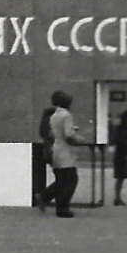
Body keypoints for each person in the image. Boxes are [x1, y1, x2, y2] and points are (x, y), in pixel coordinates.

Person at [39, 90, 87, 218]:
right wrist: (79, 141)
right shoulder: (66, 115)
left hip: (56, 148)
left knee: (61, 179)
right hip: (65, 151)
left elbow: (56, 132)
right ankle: (61, 207)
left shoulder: (54, 115)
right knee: (71, 179)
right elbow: (68, 135)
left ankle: (46, 198)